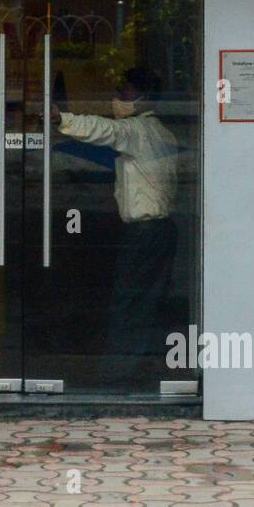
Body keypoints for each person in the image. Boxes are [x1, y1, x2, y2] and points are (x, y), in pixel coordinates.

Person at [52, 68, 179, 356]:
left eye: (127, 91)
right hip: (163, 231)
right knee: (149, 302)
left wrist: (62, 118)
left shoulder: (138, 130)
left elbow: (105, 129)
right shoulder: (164, 133)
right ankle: (141, 364)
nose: (119, 97)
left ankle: (121, 369)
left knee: (129, 300)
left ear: (146, 99)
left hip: (144, 233)